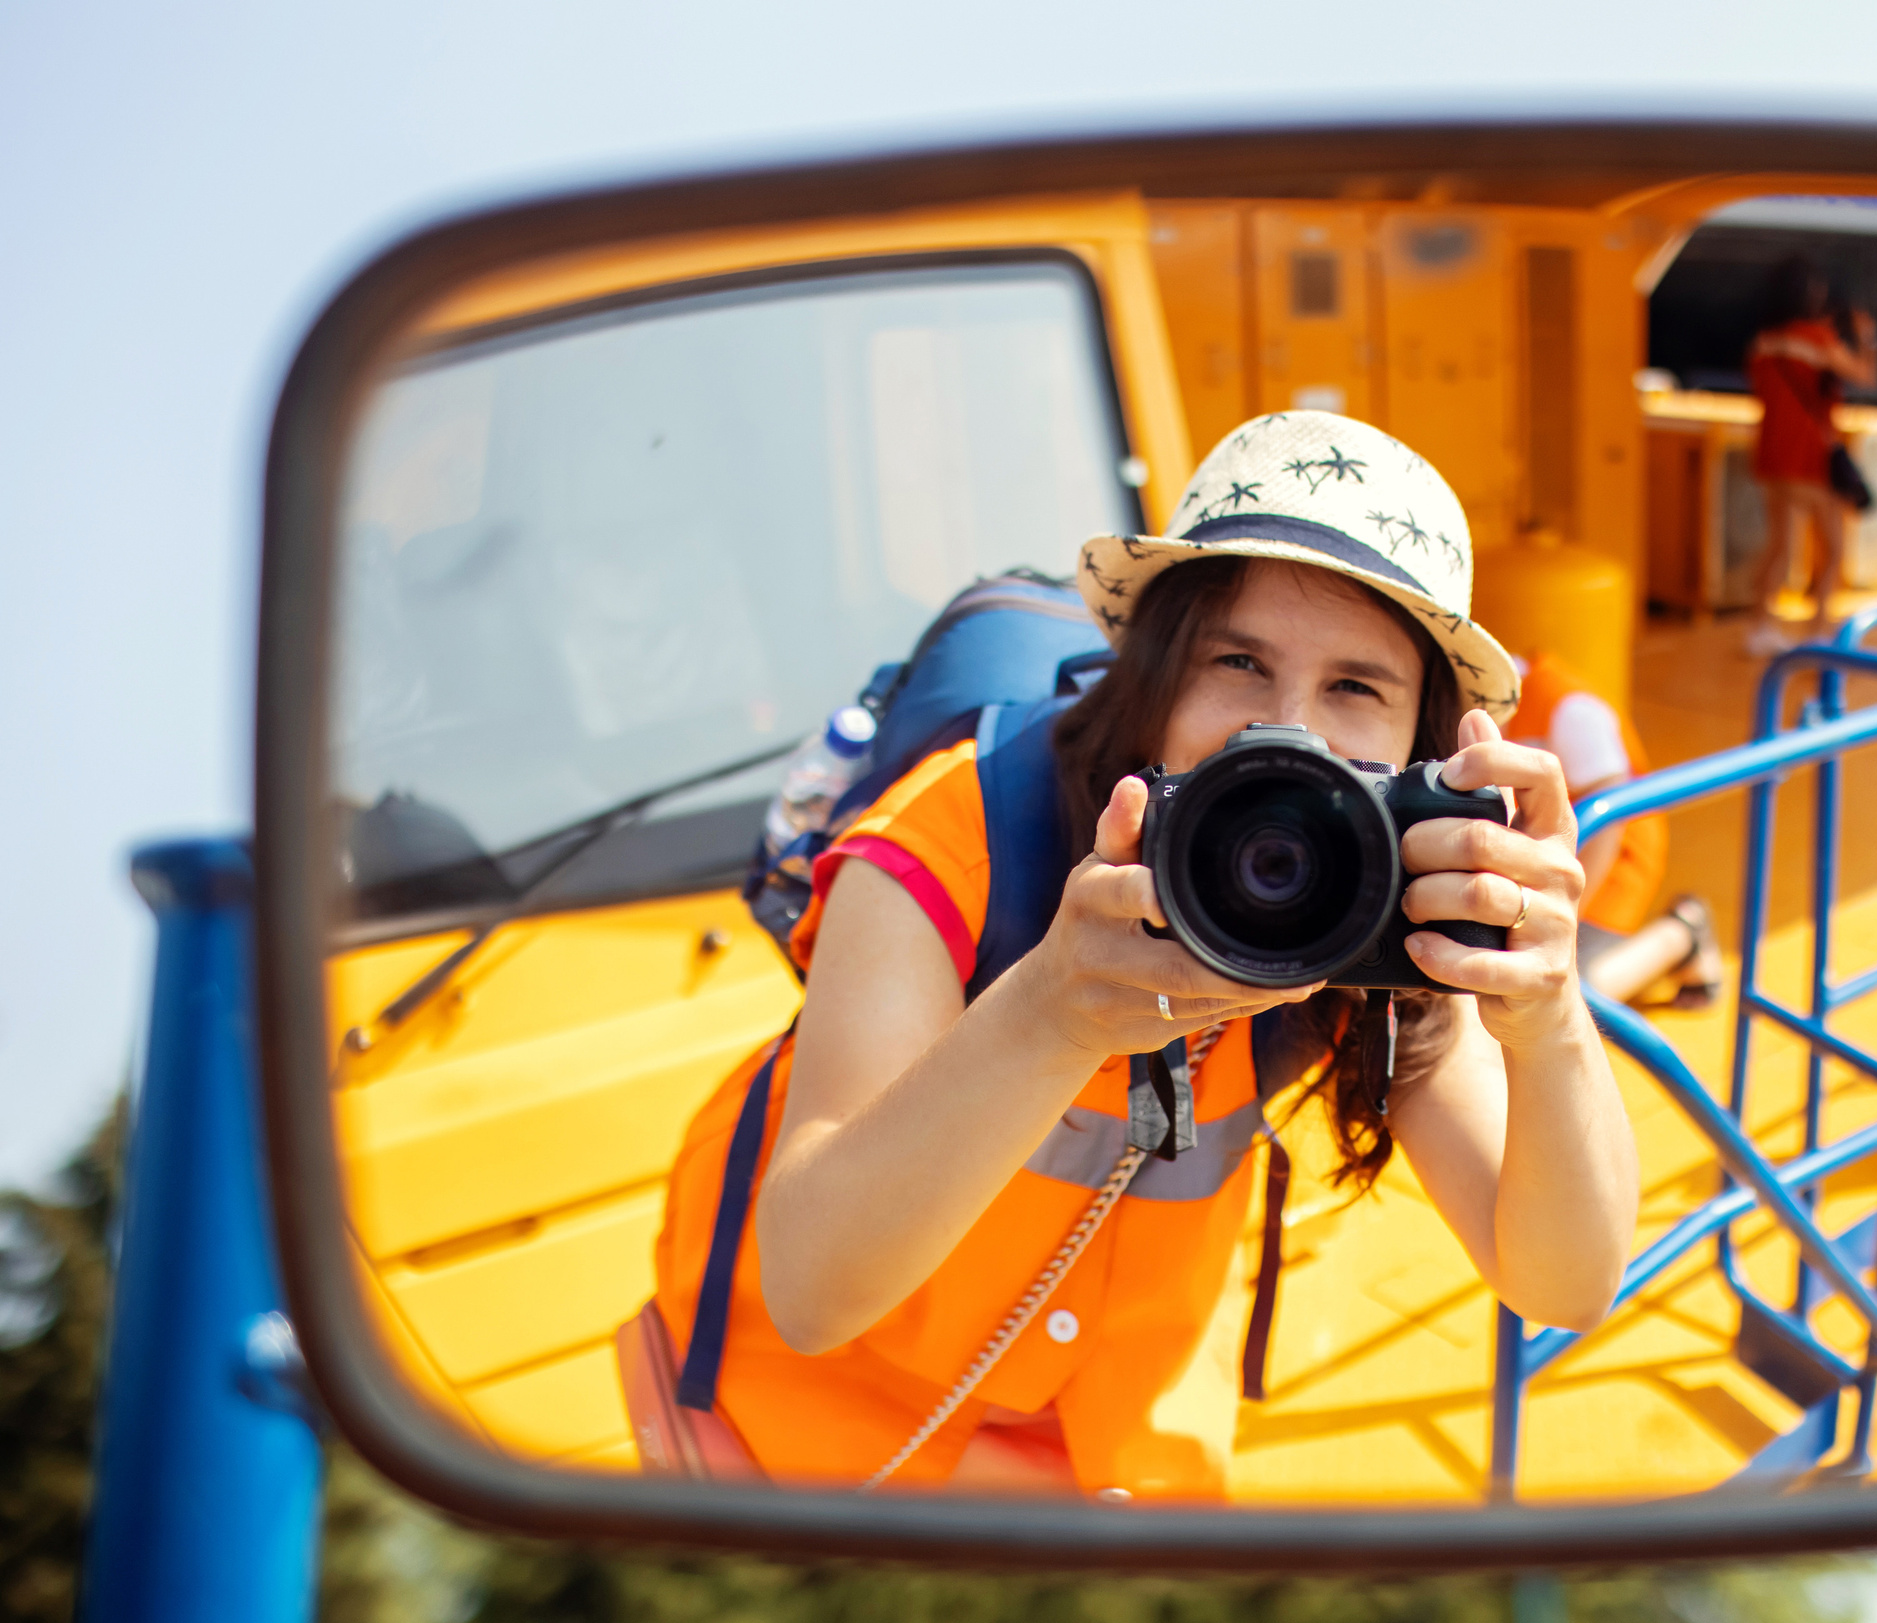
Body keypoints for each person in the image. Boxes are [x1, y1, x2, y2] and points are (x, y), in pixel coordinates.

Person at [647, 412, 1640, 1498]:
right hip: (827, 1440)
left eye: (1356, 687)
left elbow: (1562, 1282)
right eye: (1238, 662)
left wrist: (1548, 1017)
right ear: (1157, 674)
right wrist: (1051, 1011)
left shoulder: (1382, 906)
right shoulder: (953, 840)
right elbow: (809, 1292)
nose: (1289, 730)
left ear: (1422, 748)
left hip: (1119, 1462)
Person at [1506, 649, 1720, 1006]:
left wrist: (1565, 914)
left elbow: (1608, 822)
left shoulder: (1567, 708)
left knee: (1566, 988)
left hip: (1615, 856)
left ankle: (1683, 933)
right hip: (1552, 850)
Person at [1740, 257, 1877, 657]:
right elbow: (1865, 376)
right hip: (1808, 454)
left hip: (1770, 451)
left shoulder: (1763, 342)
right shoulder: (1817, 339)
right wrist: (1867, 338)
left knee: (1779, 545)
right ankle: (1817, 632)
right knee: (1832, 547)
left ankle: (1759, 627)